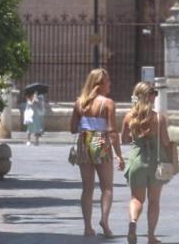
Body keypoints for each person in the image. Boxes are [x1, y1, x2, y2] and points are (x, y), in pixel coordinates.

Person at [70, 68, 124, 237]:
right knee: (107, 187)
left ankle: (87, 227)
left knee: (87, 188)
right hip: (100, 140)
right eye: (108, 81)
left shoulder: (80, 102)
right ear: (100, 84)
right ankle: (105, 223)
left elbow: (72, 128)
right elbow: (112, 131)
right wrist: (119, 155)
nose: (110, 84)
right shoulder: (107, 103)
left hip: (84, 141)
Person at [121, 82, 171, 244]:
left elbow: (124, 139)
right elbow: (166, 142)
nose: (155, 96)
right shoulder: (159, 117)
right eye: (154, 93)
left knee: (136, 198)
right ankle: (151, 236)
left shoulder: (129, 116)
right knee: (154, 201)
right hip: (155, 163)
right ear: (149, 96)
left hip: (136, 161)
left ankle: (133, 221)